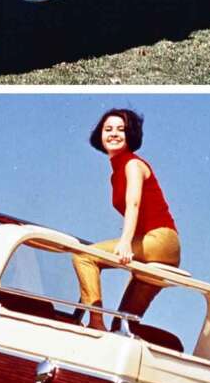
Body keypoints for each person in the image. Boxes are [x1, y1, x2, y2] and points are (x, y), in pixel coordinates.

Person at [73, 109, 181, 332]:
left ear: (130, 134)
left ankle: (95, 323)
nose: (114, 134)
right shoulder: (117, 170)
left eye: (121, 130)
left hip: (160, 239)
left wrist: (125, 241)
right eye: (108, 129)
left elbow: (133, 203)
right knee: (122, 326)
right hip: (163, 248)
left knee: (84, 256)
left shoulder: (132, 164)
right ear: (100, 135)